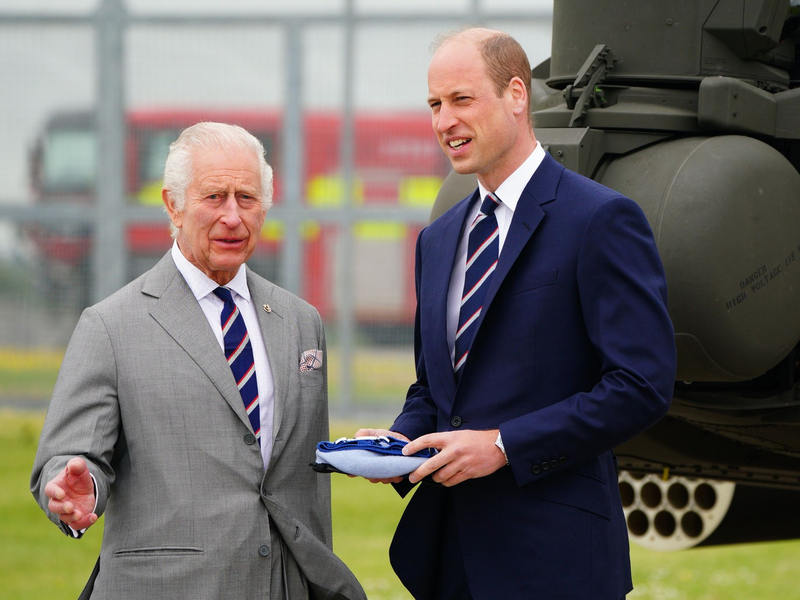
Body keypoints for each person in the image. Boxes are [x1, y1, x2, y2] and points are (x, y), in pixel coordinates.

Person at [356, 28, 677, 599]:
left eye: (461, 100)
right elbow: (434, 390)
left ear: (517, 95)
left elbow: (640, 385)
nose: (443, 121)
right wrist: (396, 444)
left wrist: (504, 445)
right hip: (448, 557)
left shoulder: (601, 219)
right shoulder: (437, 239)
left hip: (556, 559)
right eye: (434, 104)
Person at [31, 122, 366, 600]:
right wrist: (76, 492)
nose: (233, 216)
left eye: (247, 198)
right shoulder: (111, 325)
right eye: (215, 197)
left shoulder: (300, 321)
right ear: (174, 204)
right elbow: (70, 458)